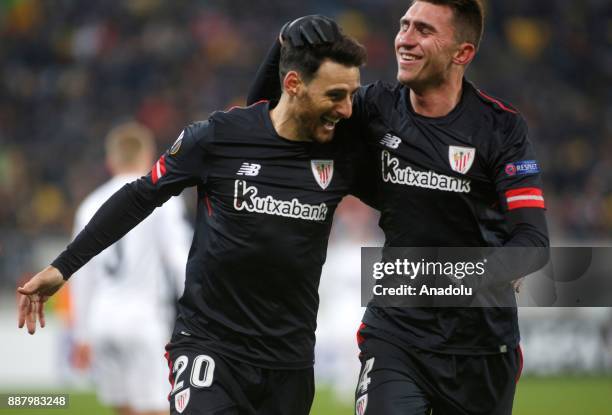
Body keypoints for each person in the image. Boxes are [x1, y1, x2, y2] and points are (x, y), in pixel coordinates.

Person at [18, 29, 368, 415]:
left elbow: (415, 209)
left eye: (352, 95)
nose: (347, 109)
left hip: (289, 361)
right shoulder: (220, 138)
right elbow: (139, 196)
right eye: (335, 95)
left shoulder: (342, 151)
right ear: (293, 84)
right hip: (211, 348)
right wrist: (64, 266)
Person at [247, 2, 549, 414]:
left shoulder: (501, 128)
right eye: (404, 25)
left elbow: (532, 243)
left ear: (462, 53)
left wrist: (470, 274)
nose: (404, 39)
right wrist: (283, 46)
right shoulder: (373, 108)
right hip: (396, 333)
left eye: (423, 30)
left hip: (482, 347)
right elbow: (267, 128)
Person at [69, 122, 192, 415]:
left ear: (110, 160)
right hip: (143, 320)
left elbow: (80, 275)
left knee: (123, 409)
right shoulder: (161, 198)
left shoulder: (88, 206)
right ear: (148, 156)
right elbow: (179, 259)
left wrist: (82, 334)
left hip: (102, 320)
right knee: (155, 408)